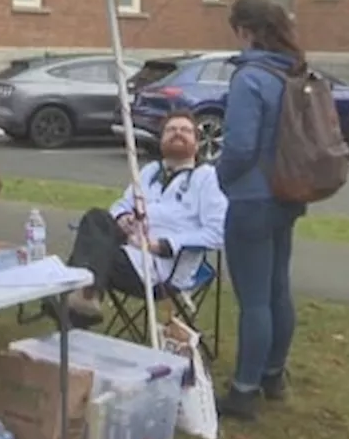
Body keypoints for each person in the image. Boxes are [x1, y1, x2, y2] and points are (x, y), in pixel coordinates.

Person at [214, 0, 308, 422]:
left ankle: (243, 391)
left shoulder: (249, 77)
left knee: (253, 299)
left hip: (252, 197)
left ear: (246, 31)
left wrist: (221, 176)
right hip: (288, 191)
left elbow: (238, 146)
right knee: (277, 288)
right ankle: (273, 375)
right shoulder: (291, 71)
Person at [60, 110, 228, 327]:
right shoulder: (150, 171)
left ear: (196, 144)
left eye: (185, 130)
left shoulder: (206, 178)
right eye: (171, 130)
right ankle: (84, 299)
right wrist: (124, 217)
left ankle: (71, 306)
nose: (177, 133)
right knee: (96, 217)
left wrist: (163, 245)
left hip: (161, 270)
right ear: (161, 141)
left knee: (93, 254)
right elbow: (121, 204)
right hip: (127, 249)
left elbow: (218, 233)